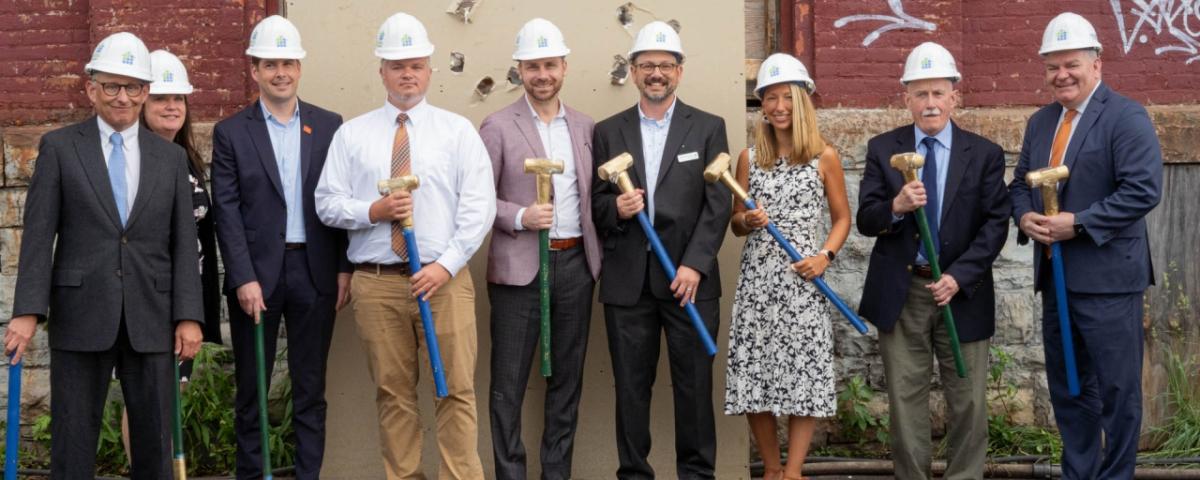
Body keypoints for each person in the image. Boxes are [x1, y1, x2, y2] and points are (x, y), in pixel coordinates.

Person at [4, 32, 203, 479]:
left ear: (145, 91)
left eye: (133, 86)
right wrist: (27, 312)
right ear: (90, 87)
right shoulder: (59, 148)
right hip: (80, 314)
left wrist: (189, 316)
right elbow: (38, 236)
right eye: (111, 85)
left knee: (155, 443)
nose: (122, 97)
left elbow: (182, 245)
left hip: (152, 316)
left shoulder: (169, 159)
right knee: (72, 442)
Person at [314, 12, 495, 479]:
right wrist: (372, 212)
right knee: (393, 395)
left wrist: (447, 266)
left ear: (430, 69)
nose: (407, 74)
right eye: (397, 65)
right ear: (381, 72)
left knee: (455, 390)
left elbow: (479, 208)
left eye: (415, 64)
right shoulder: (352, 134)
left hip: (443, 282)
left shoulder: (457, 132)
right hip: (377, 285)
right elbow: (327, 203)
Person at [1008, 12, 1162, 479]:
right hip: (1055, 280)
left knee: (1117, 392)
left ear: (1097, 63)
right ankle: (1079, 473)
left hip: (1109, 281)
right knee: (1070, 389)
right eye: (1052, 66)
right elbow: (1018, 185)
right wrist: (1025, 216)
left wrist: (1080, 223)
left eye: (1071, 63)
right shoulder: (1041, 123)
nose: (1062, 75)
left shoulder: (1125, 116)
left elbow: (1142, 189)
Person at [856, 42, 1010, 479]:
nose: (929, 103)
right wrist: (897, 206)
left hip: (962, 293)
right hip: (904, 293)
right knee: (905, 400)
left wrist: (959, 277)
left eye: (938, 93)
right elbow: (867, 220)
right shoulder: (883, 148)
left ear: (954, 96)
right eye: (920, 94)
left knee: (969, 399)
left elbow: (996, 224)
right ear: (906, 98)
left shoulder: (983, 154)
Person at [591, 20, 731, 479]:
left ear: (680, 71)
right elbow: (594, 204)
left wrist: (695, 265)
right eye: (647, 65)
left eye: (665, 65)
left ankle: (696, 474)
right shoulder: (608, 131)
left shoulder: (709, 128)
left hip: (688, 283)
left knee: (693, 389)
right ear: (632, 71)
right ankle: (633, 473)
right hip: (629, 283)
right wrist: (619, 208)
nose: (656, 73)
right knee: (632, 389)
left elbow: (717, 204)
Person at [210, 15, 349, 479]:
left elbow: (341, 200)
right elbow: (226, 211)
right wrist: (243, 277)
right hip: (257, 279)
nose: (281, 72)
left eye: (288, 62)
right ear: (255, 70)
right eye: (271, 64)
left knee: (310, 389)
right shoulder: (231, 132)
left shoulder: (330, 126)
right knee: (252, 390)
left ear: (300, 67)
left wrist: (344, 268)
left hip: (316, 272)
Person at [479, 18, 599, 480]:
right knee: (508, 385)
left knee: (566, 383)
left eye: (550, 64)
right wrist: (519, 217)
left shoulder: (586, 127)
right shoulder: (497, 126)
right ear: (519, 70)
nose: (542, 74)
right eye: (533, 66)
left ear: (564, 67)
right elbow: (476, 201)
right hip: (518, 270)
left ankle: (556, 474)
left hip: (574, 265)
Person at [723, 53, 850, 480]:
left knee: (803, 377)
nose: (778, 106)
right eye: (769, 98)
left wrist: (824, 257)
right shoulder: (748, 159)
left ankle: (793, 472)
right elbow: (736, 224)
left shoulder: (823, 156)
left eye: (786, 97)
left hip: (802, 281)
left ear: (802, 102)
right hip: (758, 281)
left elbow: (842, 218)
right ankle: (771, 469)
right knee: (755, 374)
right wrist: (746, 219)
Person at [118, 48, 226, 461]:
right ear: (143, 102)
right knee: (143, 394)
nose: (171, 106)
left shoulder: (184, 158)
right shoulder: (130, 158)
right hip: (146, 297)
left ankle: (162, 468)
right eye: (162, 98)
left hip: (183, 298)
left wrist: (195, 309)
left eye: (178, 98)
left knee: (170, 393)